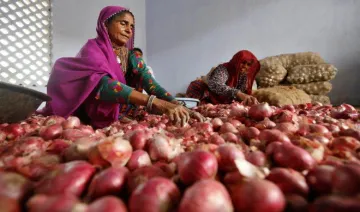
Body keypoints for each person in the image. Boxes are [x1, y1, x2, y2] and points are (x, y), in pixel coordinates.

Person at [39, 6, 203, 129]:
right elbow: (103, 85)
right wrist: (154, 103)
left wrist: (176, 105)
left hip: (124, 114)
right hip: (89, 113)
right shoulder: (93, 49)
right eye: (123, 24)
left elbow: (150, 83)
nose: (129, 30)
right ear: (106, 24)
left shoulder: (132, 56)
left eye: (131, 26)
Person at [186, 50, 260, 105]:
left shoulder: (244, 76)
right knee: (197, 85)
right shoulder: (224, 69)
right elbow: (216, 84)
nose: (245, 66)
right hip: (212, 94)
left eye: (248, 65)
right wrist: (238, 93)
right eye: (243, 63)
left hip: (226, 99)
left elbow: (245, 93)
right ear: (237, 60)